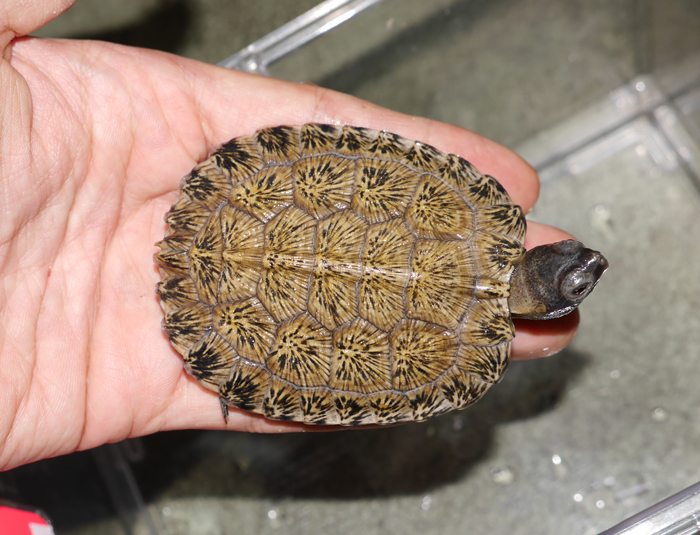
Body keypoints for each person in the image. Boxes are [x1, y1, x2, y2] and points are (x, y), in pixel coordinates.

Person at [0, 0, 579, 472]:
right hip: (243, 244)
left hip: (251, 210)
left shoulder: (477, 225)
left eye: (573, 279)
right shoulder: (464, 354)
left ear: (547, 300)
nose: (580, 263)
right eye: (572, 264)